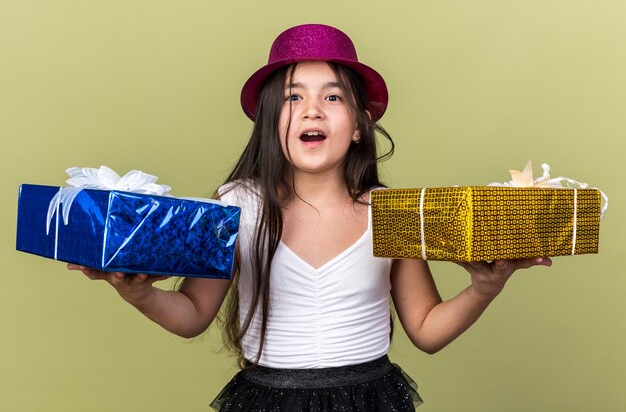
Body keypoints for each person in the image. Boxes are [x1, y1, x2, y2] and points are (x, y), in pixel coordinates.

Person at [69, 24, 552, 411]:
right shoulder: (237, 203)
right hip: (265, 398)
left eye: (333, 97)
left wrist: (484, 288)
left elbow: (426, 330)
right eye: (294, 97)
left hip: (370, 396)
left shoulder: (391, 212)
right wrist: (140, 293)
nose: (312, 111)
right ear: (271, 121)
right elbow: (193, 315)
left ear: (360, 125)